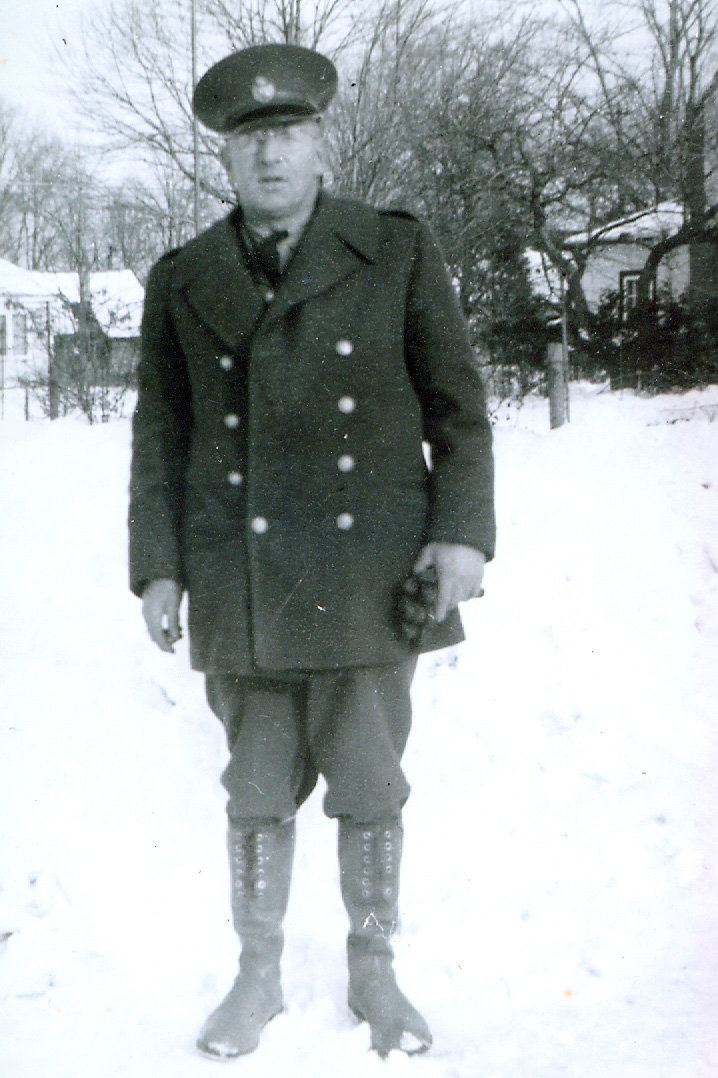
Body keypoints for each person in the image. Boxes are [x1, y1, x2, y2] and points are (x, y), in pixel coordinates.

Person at [128, 42, 495, 1061]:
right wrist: (158, 565)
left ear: (320, 141)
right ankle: (257, 975)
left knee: (371, 783)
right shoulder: (184, 277)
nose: (270, 159)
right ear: (226, 162)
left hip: (370, 571)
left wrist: (460, 533)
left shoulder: (394, 251)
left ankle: (374, 973)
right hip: (241, 584)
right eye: (249, 143)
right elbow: (158, 435)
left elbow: (461, 412)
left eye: (286, 135)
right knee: (254, 789)